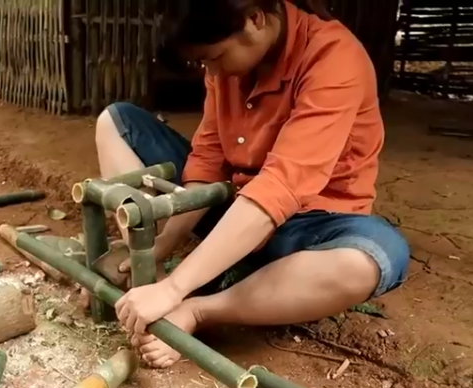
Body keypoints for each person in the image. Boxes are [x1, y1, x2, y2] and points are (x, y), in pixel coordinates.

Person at [95, 0, 410, 368]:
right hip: (235, 203)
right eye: (203, 63)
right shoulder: (226, 67)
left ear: (255, 20)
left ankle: (200, 310)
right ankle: (169, 275)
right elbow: (209, 159)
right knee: (117, 122)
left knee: (372, 259)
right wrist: (161, 246)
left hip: (306, 225)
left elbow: (280, 186)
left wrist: (175, 289)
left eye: (214, 57)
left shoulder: (335, 59)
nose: (211, 71)